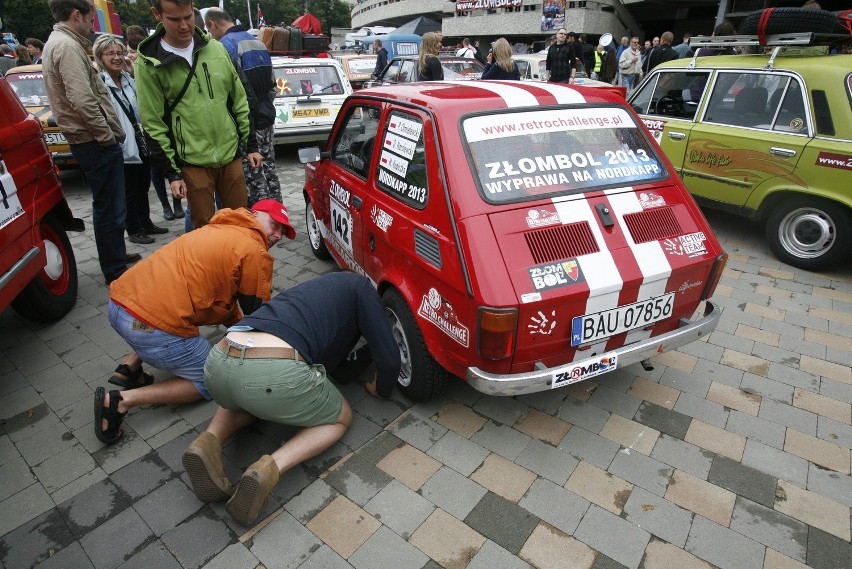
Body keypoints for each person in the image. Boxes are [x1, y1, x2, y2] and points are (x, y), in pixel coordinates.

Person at [182, 272, 401, 526]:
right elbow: (390, 358)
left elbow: (339, 366)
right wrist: (381, 389)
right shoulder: (363, 286)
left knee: (244, 386)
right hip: (272, 370)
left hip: (220, 359)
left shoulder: (313, 293)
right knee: (340, 417)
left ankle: (208, 442)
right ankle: (268, 469)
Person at [94, 199, 296, 445]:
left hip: (119, 305)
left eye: (282, 231)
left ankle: (129, 367)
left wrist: (235, 322)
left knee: (166, 300)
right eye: (274, 225)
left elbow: (222, 298)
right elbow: (259, 314)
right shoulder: (254, 251)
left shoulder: (221, 226)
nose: (277, 235)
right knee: (211, 381)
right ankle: (121, 401)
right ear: (254, 214)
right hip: (150, 327)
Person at [136, 0, 260, 230]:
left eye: (188, 16)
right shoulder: (149, 64)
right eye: (174, 19)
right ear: (157, 14)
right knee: (204, 229)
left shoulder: (216, 48)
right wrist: (172, 173)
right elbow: (153, 123)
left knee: (241, 223)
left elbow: (238, 99)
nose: (184, 25)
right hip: (192, 160)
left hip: (230, 153)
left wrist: (251, 144)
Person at [43, 0, 136, 284]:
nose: (91, 25)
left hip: (89, 139)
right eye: (89, 19)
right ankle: (115, 270)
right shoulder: (67, 47)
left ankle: (115, 257)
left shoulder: (58, 43)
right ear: (76, 15)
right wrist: (107, 136)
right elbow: (83, 99)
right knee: (110, 207)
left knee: (108, 206)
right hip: (93, 141)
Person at [93, 35, 168, 247]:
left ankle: (145, 222)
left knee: (142, 185)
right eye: (111, 54)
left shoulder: (128, 79)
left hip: (140, 140)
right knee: (128, 190)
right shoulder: (100, 83)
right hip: (121, 143)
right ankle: (133, 228)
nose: (117, 57)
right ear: (100, 57)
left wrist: (131, 69)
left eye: (119, 53)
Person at [205, 8, 282, 207]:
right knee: (269, 168)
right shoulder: (258, 42)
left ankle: (261, 222)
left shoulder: (224, 47)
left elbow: (232, 91)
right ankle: (277, 217)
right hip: (266, 117)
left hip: (246, 122)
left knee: (253, 175)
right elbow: (272, 84)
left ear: (212, 24)